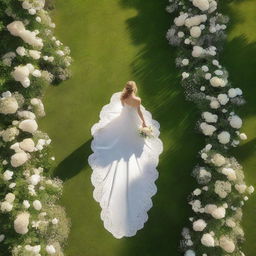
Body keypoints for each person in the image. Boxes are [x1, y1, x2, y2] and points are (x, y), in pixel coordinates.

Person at [88, 81, 163, 238]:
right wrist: (143, 123)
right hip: (132, 121)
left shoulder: (122, 97)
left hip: (123, 119)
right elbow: (139, 113)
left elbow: (124, 109)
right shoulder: (137, 100)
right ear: (135, 89)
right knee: (139, 144)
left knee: (116, 136)